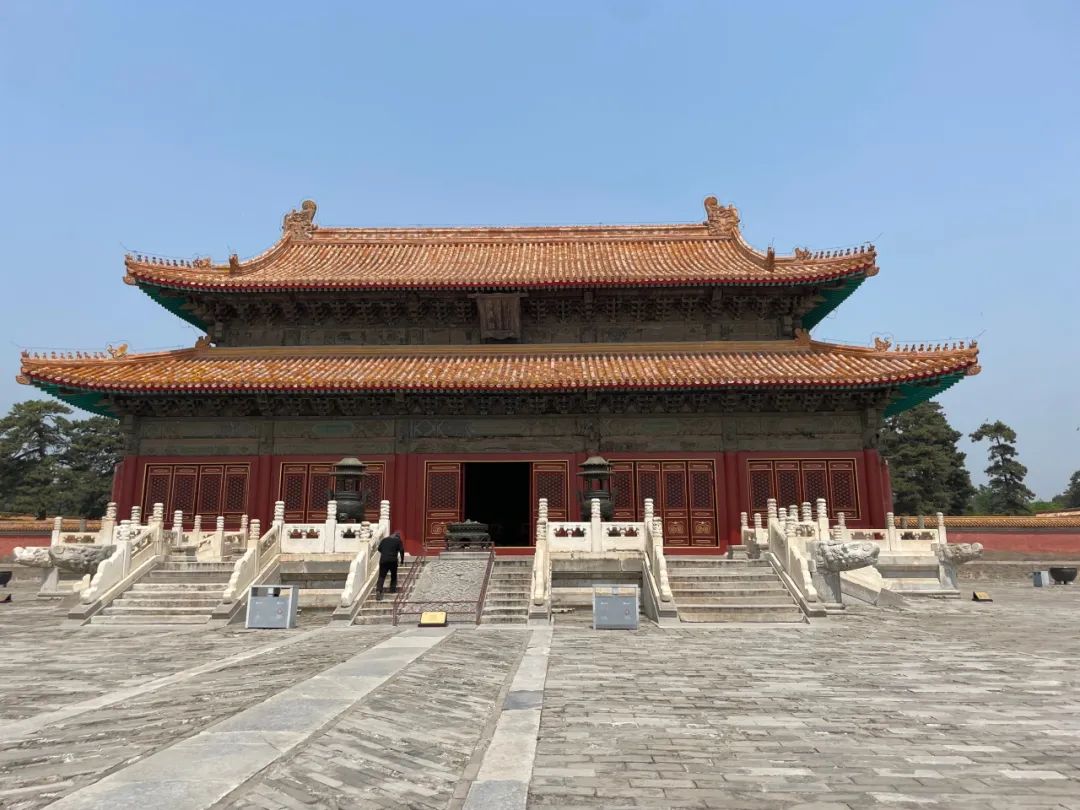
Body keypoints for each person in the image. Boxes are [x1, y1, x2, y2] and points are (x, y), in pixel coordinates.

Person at [376, 531, 405, 600]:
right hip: (393, 560)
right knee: (393, 575)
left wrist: (385, 553)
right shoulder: (398, 541)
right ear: (398, 537)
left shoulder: (384, 540)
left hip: (383, 560)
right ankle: (392, 589)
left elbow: (379, 549)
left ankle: (379, 590)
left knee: (381, 576)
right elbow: (402, 550)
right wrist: (402, 560)